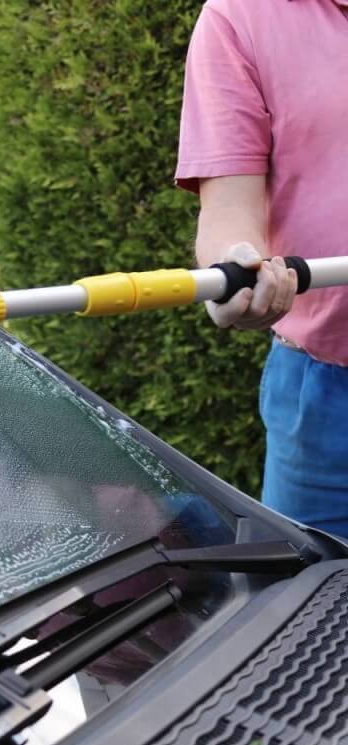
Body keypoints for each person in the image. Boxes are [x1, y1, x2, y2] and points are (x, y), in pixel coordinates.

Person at [175, 0, 348, 536]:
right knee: (310, 599)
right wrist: (237, 269)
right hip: (326, 395)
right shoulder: (240, 16)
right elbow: (229, 206)